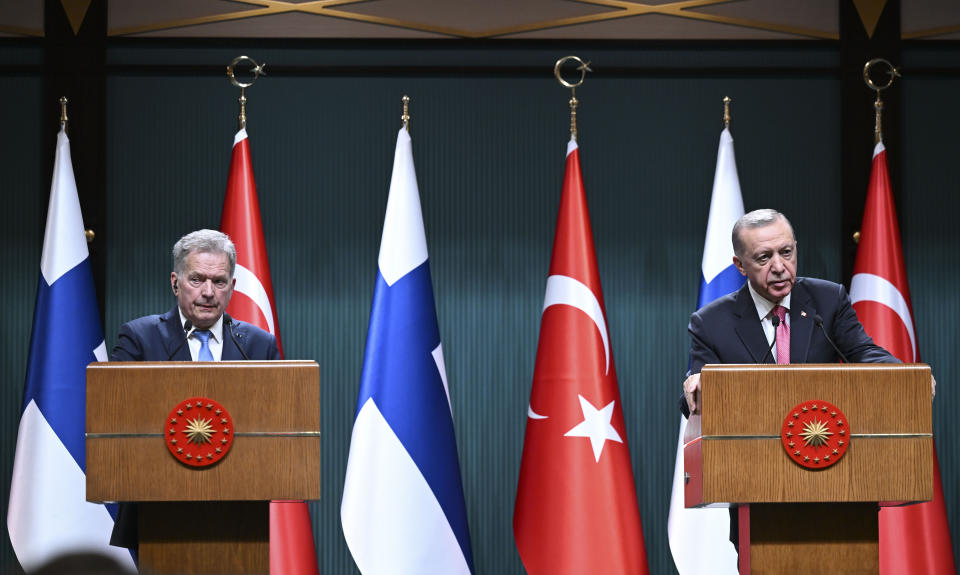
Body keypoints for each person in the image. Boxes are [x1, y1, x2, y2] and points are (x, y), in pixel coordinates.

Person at [109, 229, 280, 551]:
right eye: (197, 279)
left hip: (239, 515)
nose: (208, 292)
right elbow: (116, 419)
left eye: (218, 282)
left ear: (232, 287)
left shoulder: (258, 345)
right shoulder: (140, 338)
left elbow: (275, 429)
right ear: (175, 282)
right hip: (156, 510)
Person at [681, 209, 901, 417]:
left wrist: (907, 376)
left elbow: (864, 353)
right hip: (752, 451)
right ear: (740, 265)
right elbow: (694, 398)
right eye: (764, 258)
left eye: (786, 252)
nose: (779, 266)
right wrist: (697, 386)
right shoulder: (711, 323)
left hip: (820, 442)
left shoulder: (829, 300)